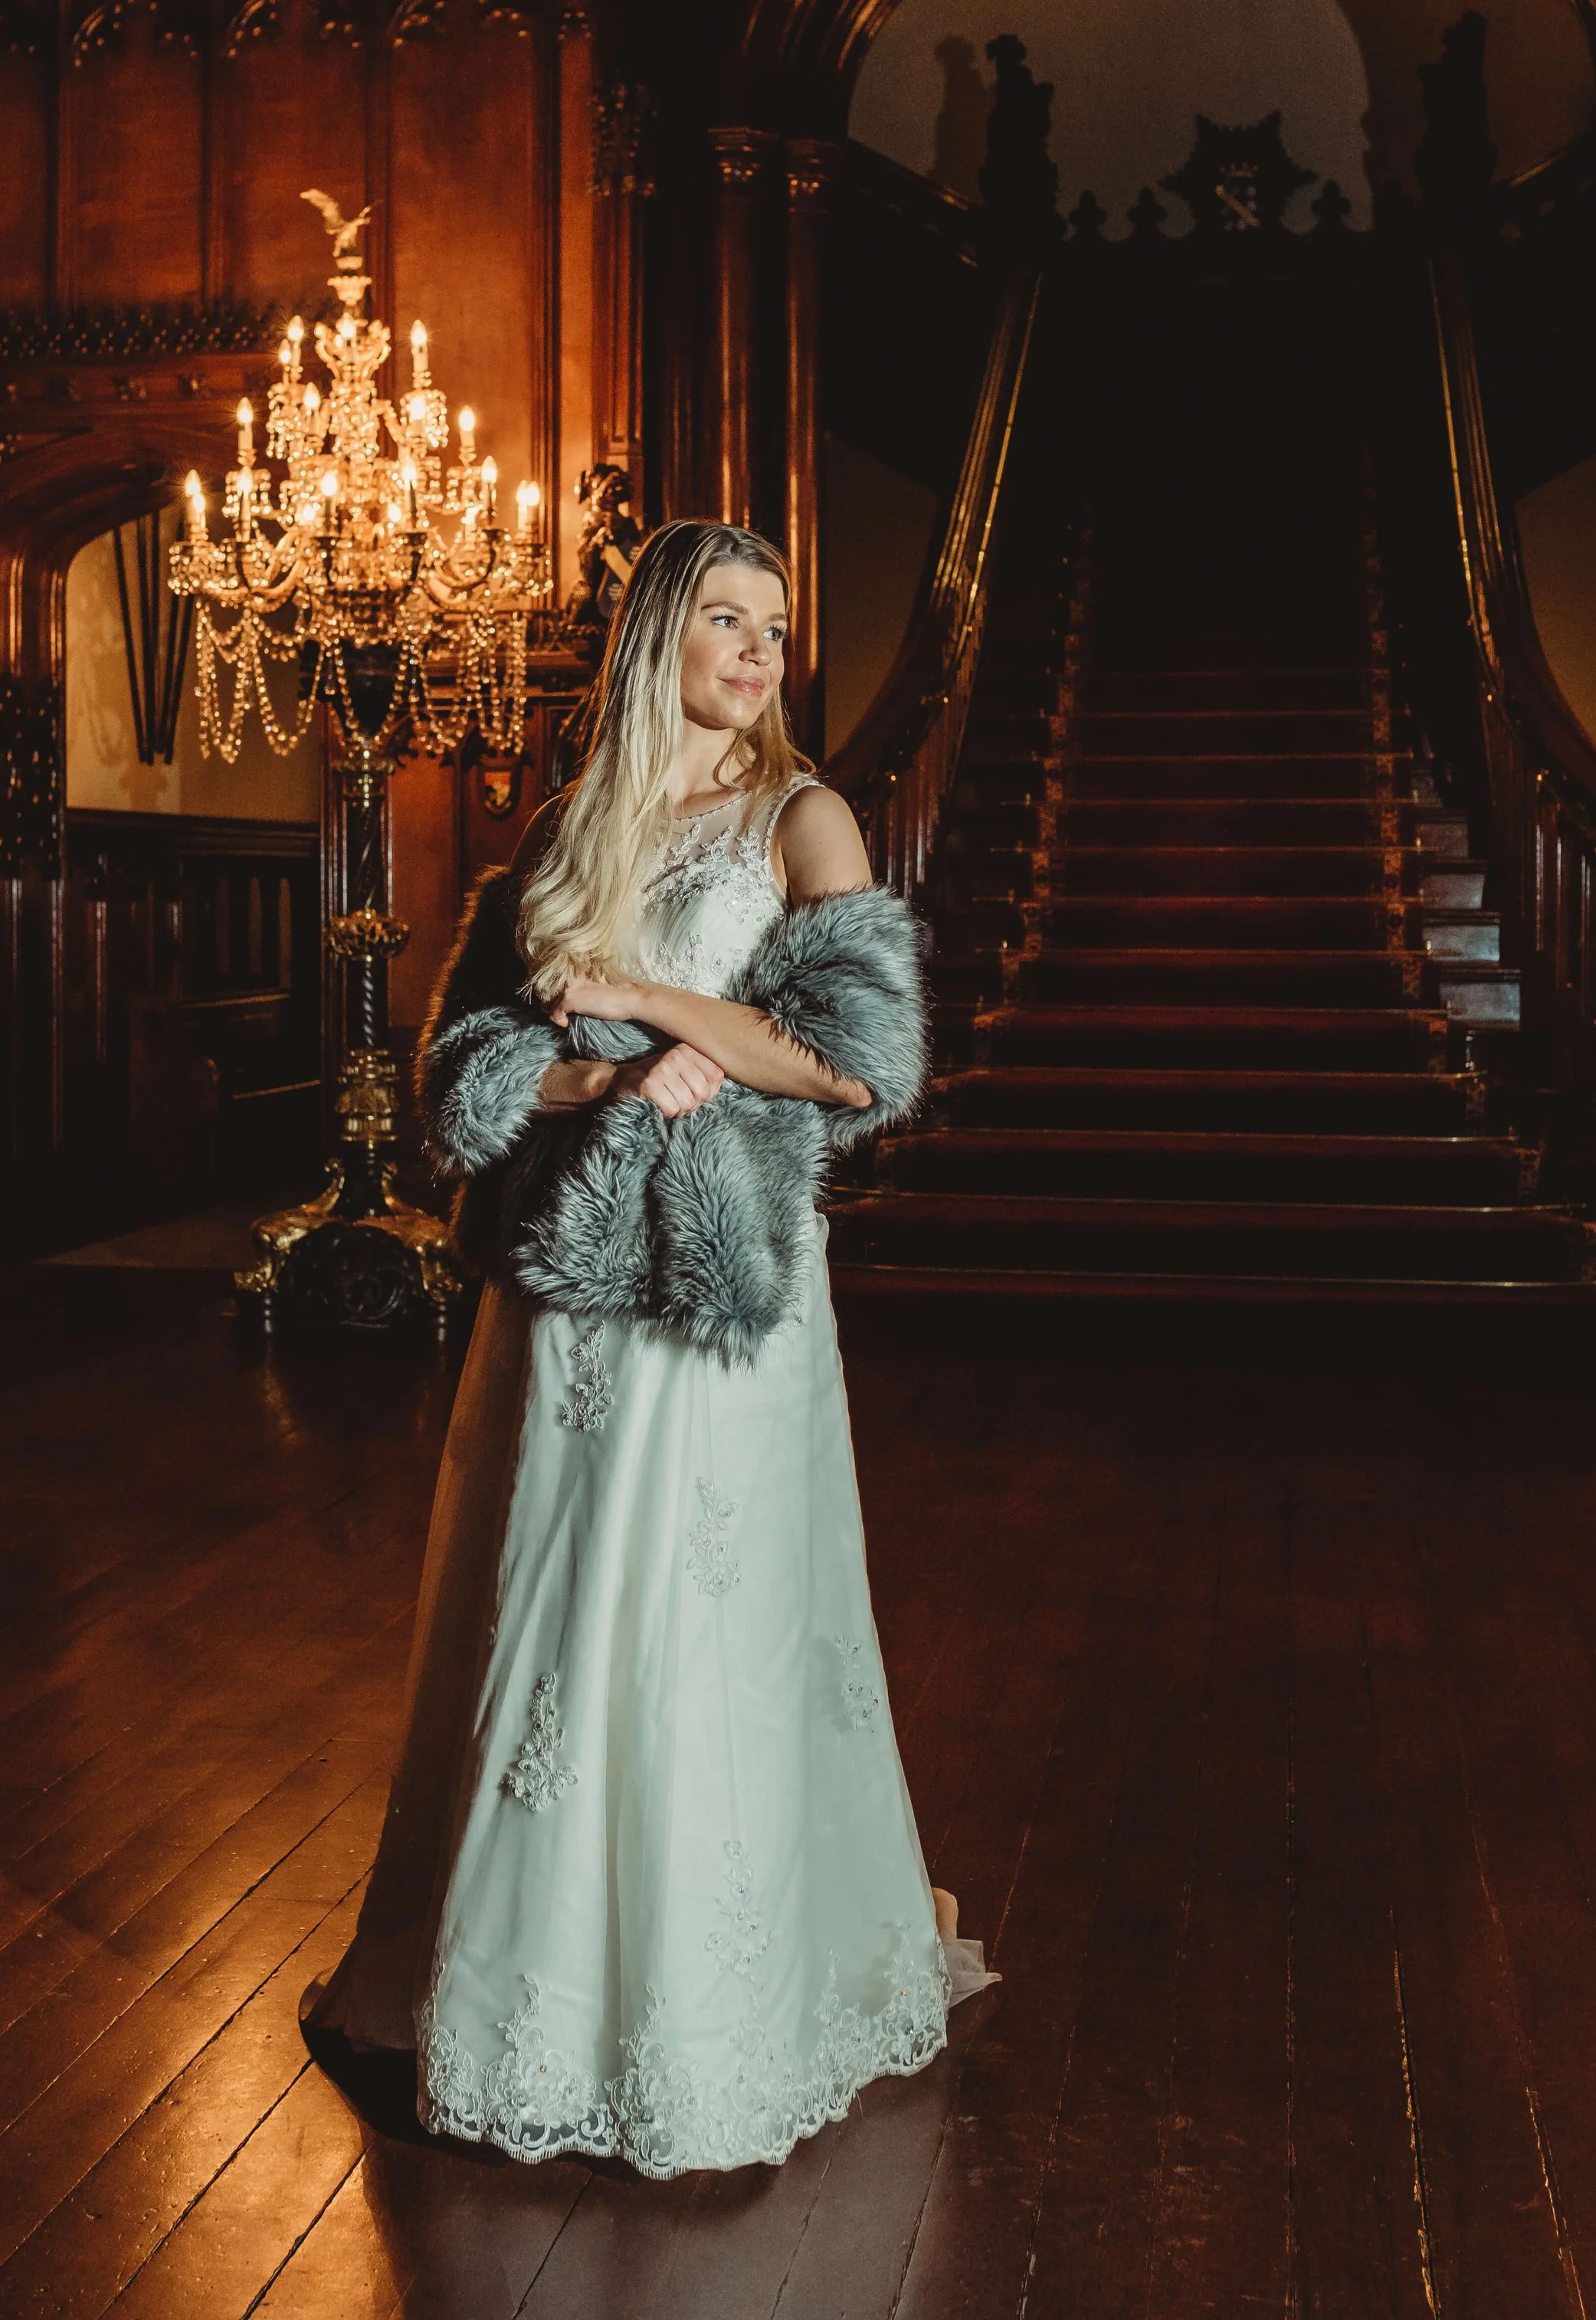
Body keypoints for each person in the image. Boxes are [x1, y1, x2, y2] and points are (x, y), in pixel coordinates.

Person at [303, 519, 996, 2178]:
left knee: (704, 1606)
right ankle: (524, 1991)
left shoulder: (801, 815)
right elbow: (467, 1061)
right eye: (727, 620)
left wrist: (657, 1007)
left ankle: (708, 2009)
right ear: (654, 638)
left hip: (719, 1277)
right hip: (561, 1273)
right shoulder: (561, 827)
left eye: (776, 625)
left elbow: (859, 1063)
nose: (759, 652)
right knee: (547, 1590)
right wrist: (593, 1078)